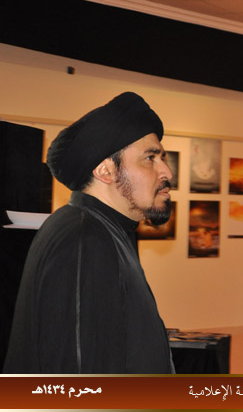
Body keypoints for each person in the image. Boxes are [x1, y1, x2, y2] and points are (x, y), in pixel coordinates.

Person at [3, 92, 175, 373]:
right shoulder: (85, 238)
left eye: (163, 158)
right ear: (105, 171)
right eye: (150, 158)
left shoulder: (101, 229)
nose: (166, 171)